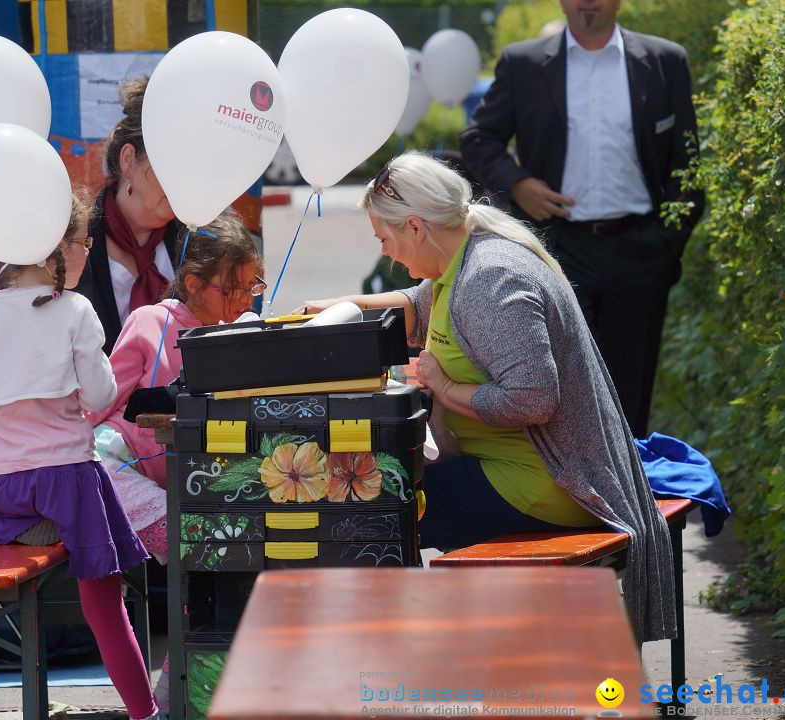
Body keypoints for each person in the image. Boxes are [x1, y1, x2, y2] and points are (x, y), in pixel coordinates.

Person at [294, 152, 675, 643]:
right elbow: (415, 309)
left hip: (548, 484)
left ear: (414, 227)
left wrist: (446, 389)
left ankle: (398, 667)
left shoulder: (488, 280)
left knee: (369, 514)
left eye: (385, 239)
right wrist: (338, 309)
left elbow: (534, 399)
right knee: (376, 496)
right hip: (524, 471)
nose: (388, 255)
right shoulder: (468, 257)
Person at [0, 191, 159, 720]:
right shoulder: (75, 311)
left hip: (3, 494)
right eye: (82, 243)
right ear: (53, 249)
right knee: (105, 605)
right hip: (70, 488)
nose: (87, 254)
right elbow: (102, 399)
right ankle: (146, 712)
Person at [459, 0, 705, 438]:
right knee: (561, 393)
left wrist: (667, 243)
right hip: (558, 250)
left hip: (640, 249)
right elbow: (479, 138)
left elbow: (688, 165)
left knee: (631, 393)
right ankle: (568, 501)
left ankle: (630, 496)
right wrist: (517, 183)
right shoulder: (525, 63)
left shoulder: (665, 61)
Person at [86, 209, 264, 709]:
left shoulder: (246, 333)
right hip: (124, 470)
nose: (246, 299)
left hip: (196, 483)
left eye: (255, 286)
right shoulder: (150, 322)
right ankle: (170, 703)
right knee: (199, 546)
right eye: (234, 289)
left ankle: (174, 698)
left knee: (210, 566)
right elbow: (100, 405)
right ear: (191, 283)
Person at [78, 76, 181, 353]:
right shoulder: (73, 242)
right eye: (168, 168)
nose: (181, 183)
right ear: (128, 161)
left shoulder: (198, 238)